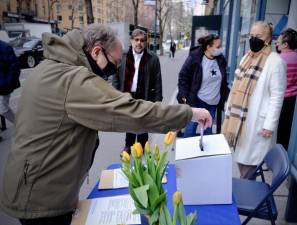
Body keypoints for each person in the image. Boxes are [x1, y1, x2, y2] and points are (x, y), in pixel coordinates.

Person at [0, 24, 212, 225]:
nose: (112, 73)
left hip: (37, 182)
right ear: (96, 52)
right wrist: (188, 113)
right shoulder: (73, 79)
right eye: (112, 67)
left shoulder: (52, 66)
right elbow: (131, 113)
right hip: (42, 198)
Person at [222, 21, 286, 179]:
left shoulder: (275, 62)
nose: (253, 39)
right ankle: (246, 191)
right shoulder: (247, 57)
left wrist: (269, 125)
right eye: (251, 35)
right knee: (241, 160)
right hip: (240, 121)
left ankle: (247, 195)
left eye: (258, 36)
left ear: (268, 39)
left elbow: (277, 96)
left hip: (257, 123)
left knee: (249, 165)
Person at [112, 29, 163, 154]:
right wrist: (117, 94)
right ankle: (128, 145)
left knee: (143, 123)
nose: (139, 43)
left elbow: (157, 81)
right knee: (130, 121)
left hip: (145, 95)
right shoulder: (123, 56)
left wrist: (157, 101)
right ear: (131, 41)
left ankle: (142, 146)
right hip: (127, 94)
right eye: (137, 40)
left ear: (145, 42)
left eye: (142, 40)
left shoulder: (153, 58)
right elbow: (116, 76)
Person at [177, 34, 229, 137]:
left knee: (207, 133)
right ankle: (187, 152)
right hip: (198, 101)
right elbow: (183, 76)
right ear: (208, 47)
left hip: (213, 103)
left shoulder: (221, 59)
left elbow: (223, 81)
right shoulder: (195, 58)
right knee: (190, 130)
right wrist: (183, 94)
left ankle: (204, 153)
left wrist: (226, 96)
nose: (220, 49)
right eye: (217, 47)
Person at [275, 28, 297, 150]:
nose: (276, 43)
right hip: (294, 100)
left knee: (278, 131)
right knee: (287, 130)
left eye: (279, 42)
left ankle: (276, 159)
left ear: (285, 44)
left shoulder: (279, 60)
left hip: (281, 100)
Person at [0, 40, 20, 142]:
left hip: (3, 85)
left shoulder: (4, 47)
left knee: (3, 109)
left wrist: (8, 83)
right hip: (3, 83)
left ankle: (21, 126)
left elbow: (15, 66)